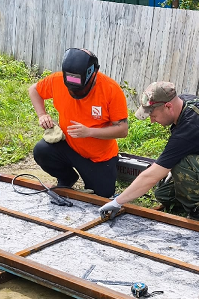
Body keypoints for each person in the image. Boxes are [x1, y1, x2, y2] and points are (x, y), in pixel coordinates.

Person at [98, 82, 199, 224]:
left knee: (182, 165)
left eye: (153, 114)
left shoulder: (189, 128)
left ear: (168, 106)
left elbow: (151, 176)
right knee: (163, 194)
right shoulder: (185, 102)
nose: (152, 120)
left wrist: (117, 202)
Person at [29, 48, 129, 198]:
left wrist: (89, 132)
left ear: (93, 74)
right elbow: (34, 90)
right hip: (68, 146)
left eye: (81, 90)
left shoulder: (111, 90)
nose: (76, 94)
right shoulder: (57, 80)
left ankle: (93, 177)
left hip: (99, 156)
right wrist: (42, 115)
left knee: (102, 194)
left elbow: (122, 130)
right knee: (41, 151)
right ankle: (67, 177)